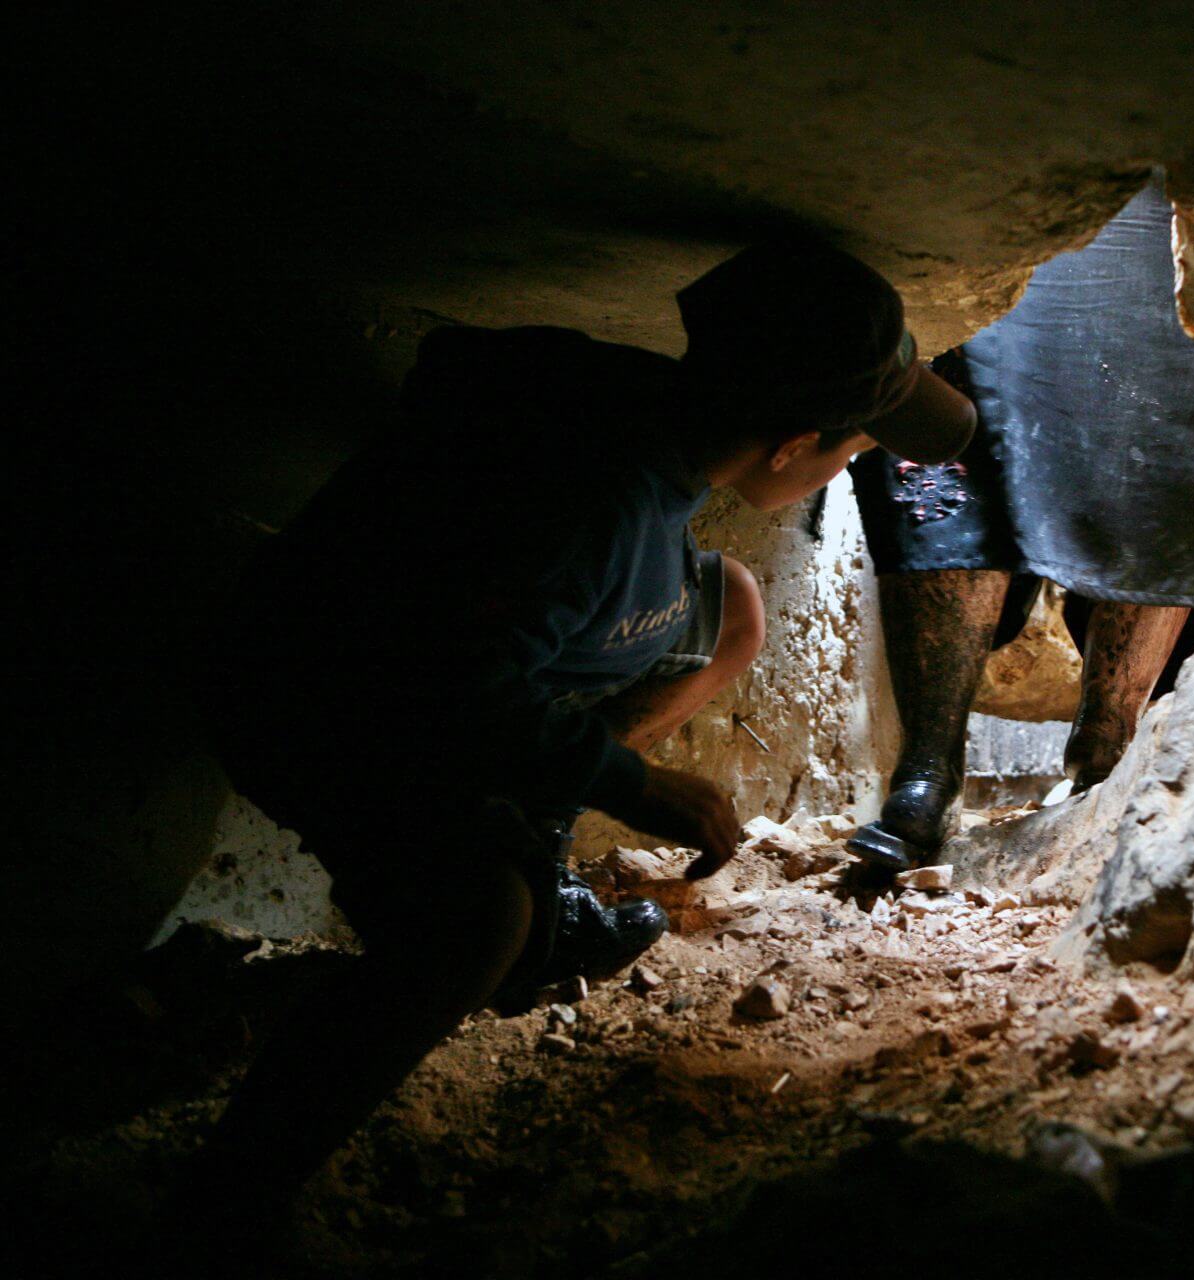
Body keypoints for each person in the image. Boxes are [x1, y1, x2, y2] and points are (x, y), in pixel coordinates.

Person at [184, 240, 975, 1232]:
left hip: (466, 649)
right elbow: (443, 681)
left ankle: (532, 829)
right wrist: (631, 784)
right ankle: (224, 1202)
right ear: (791, 445)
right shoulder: (589, 502)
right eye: (853, 449)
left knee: (730, 609)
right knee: (479, 923)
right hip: (317, 696)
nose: (843, 468)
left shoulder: (645, 408)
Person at [846, 177, 1194, 870]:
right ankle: (927, 770)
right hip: (997, 202)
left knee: (1169, 432)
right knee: (949, 450)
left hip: (1169, 218)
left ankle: (1104, 751)